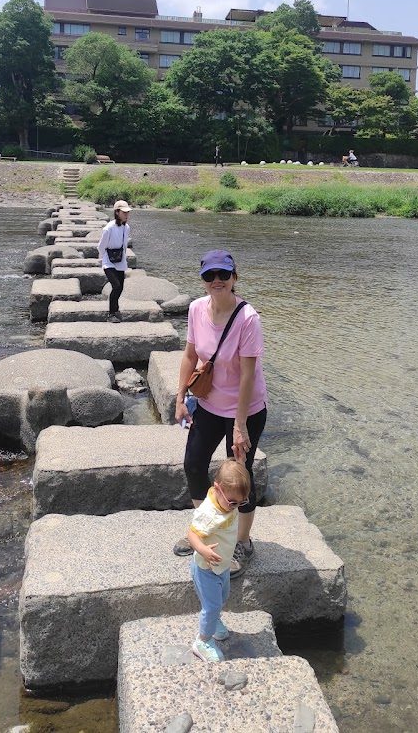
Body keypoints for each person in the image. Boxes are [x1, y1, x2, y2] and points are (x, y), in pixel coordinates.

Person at [175, 249, 268, 578]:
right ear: (202, 280)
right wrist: (180, 397)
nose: (216, 281)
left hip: (246, 409)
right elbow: (189, 356)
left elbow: (248, 375)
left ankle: (242, 540)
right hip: (209, 404)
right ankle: (206, 529)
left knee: (240, 475)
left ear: (234, 278)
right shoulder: (196, 309)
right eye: (209, 276)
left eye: (223, 275)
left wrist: (240, 425)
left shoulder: (248, 319)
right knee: (193, 463)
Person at [188, 458, 251, 663]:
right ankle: (203, 641)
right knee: (212, 605)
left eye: (242, 502)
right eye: (233, 503)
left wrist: (239, 460)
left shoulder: (227, 503)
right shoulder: (209, 513)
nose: (236, 507)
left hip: (221, 565)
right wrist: (202, 549)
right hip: (206, 567)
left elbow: (236, 473)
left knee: (222, 598)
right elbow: (191, 534)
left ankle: (214, 623)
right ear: (217, 489)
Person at [98, 200, 130, 323]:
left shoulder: (126, 227)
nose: (126, 215)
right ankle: (111, 314)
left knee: (120, 287)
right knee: (116, 286)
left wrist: (124, 258)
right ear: (117, 212)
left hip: (120, 259)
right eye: (124, 212)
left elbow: (125, 244)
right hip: (108, 260)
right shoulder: (108, 228)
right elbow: (101, 246)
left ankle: (116, 309)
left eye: (128, 212)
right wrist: (102, 259)